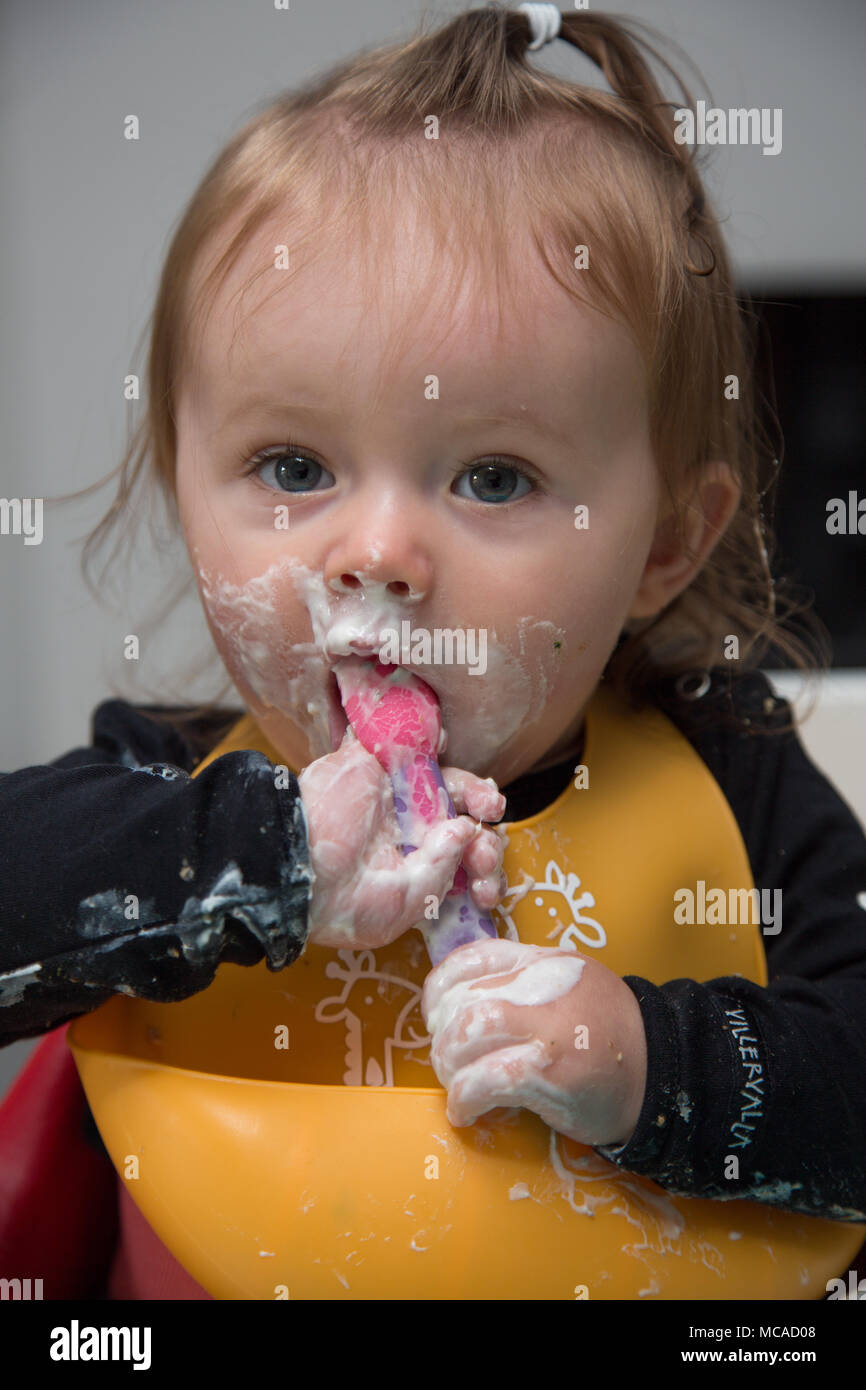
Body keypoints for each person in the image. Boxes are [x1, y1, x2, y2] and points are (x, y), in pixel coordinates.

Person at [2, 3, 865, 1300]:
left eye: (494, 475)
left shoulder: (729, 777)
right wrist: (262, 857)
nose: (379, 552)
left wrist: (644, 1058)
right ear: (186, 490)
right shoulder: (168, 789)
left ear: (661, 547)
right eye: (293, 466)